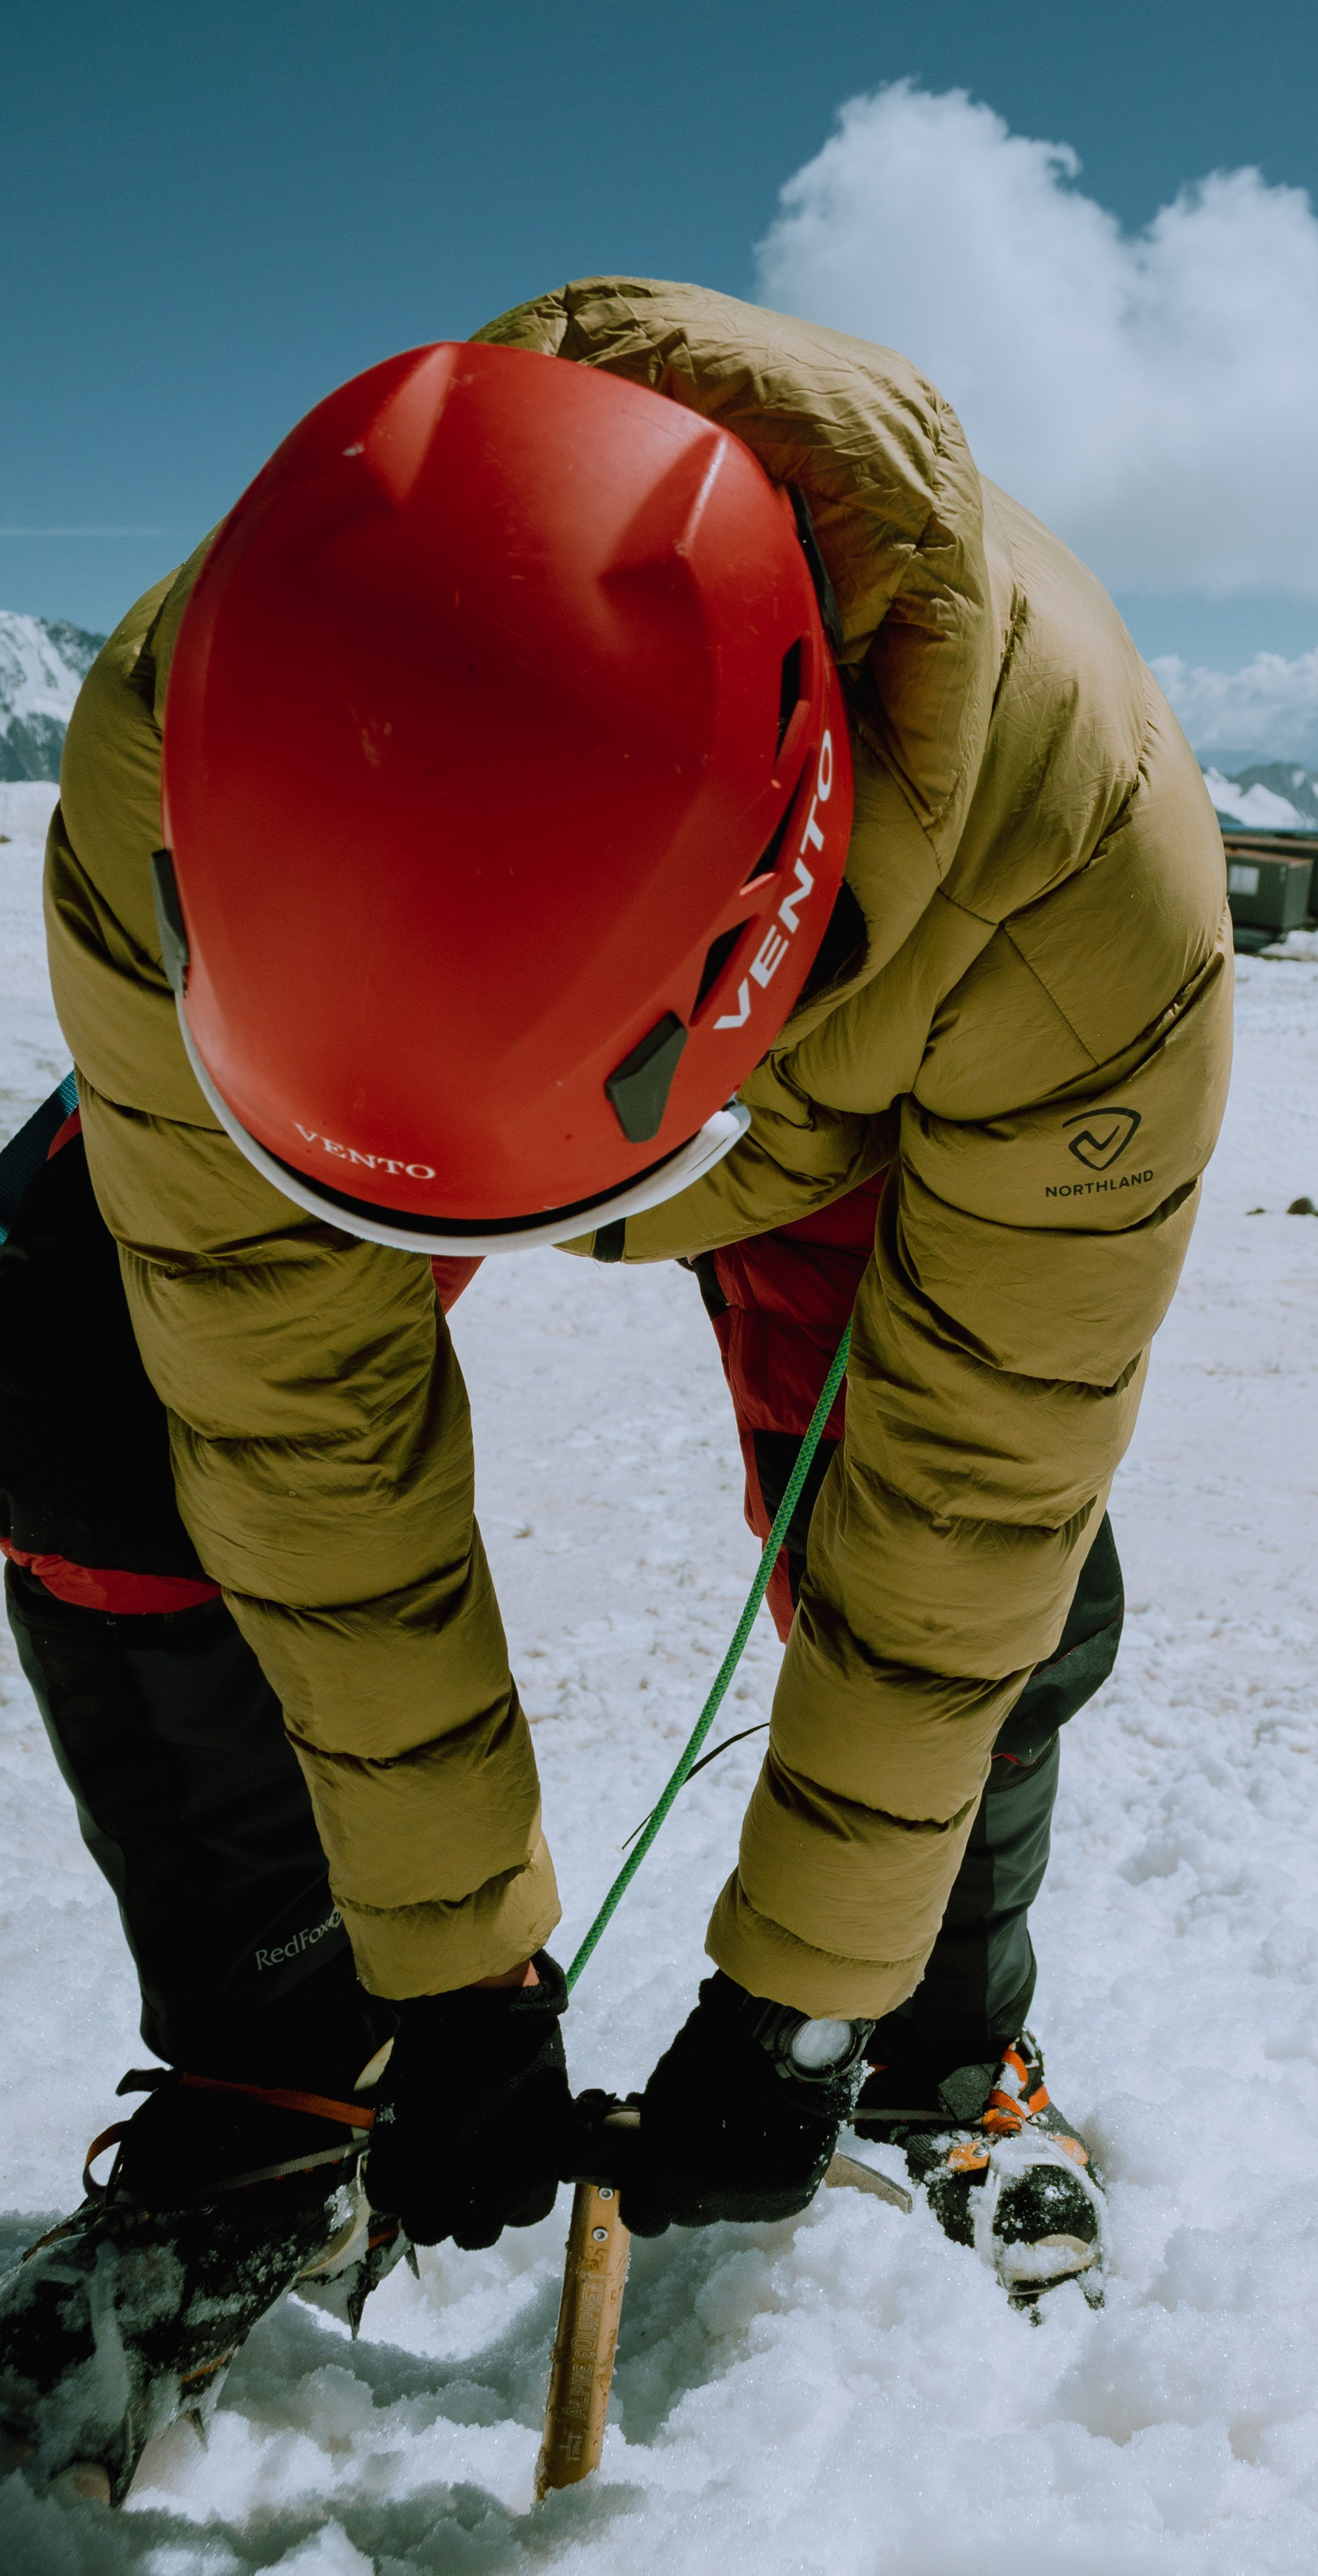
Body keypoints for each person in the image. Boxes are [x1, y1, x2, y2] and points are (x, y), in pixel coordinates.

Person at [0, 279, 1231, 2498]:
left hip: (860, 1089)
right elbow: (291, 1432)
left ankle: (936, 2048)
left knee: (985, 1569)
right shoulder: (157, 781)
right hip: (349, 1070)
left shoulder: (1077, 867)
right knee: (77, 1394)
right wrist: (452, 1976)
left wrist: (801, 1995)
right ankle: (291, 2086)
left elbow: (973, 1495)